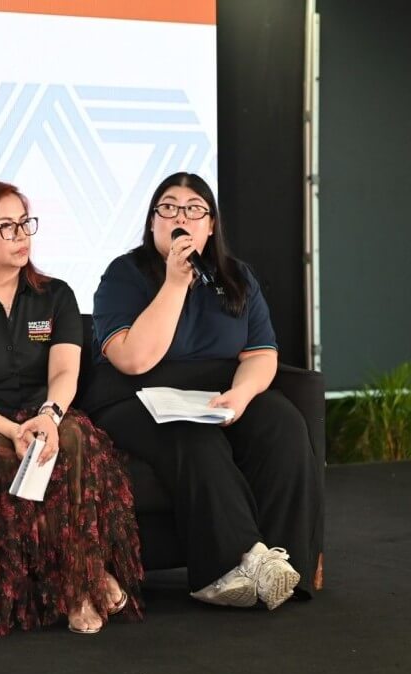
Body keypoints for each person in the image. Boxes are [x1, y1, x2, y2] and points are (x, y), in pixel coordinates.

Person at [0, 181, 144, 636]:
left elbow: (64, 373)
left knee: (75, 440)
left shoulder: (54, 295)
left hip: (45, 413)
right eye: (7, 227)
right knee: (0, 457)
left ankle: (80, 578)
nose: (22, 236)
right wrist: (13, 432)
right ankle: (82, 581)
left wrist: (49, 417)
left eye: (24, 224)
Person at [86, 171, 323, 611]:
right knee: (194, 436)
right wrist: (175, 283)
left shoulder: (236, 277)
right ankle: (229, 569)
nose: (182, 217)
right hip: (135, 396)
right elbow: (134, 360)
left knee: (284, 423)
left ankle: (286, 570)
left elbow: (260, 354)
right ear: (154, 221)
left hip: (217, 391)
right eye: (169, 208)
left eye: (194, 209)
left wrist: (242, 394)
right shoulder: (124, 275)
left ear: (210, 225)